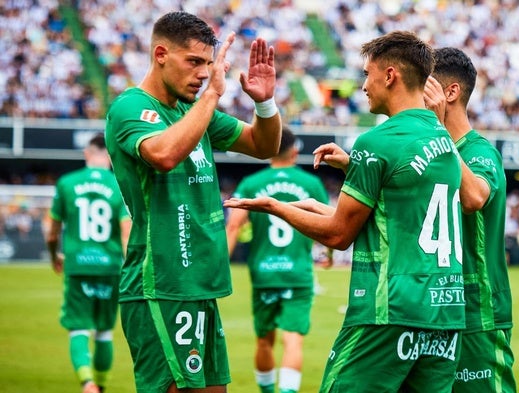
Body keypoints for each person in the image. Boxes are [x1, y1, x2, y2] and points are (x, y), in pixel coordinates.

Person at [225, 30, 465, 393]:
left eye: (367, 74)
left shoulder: (377, 141)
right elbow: (396, 209)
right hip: (445, 311)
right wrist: (354, 167)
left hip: (388, 310)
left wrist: (276, 207)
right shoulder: (441, 136)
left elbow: (339, 235)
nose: (363, 86)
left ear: (390, 76)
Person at [104, 11, 282, 393]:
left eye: (208, 63)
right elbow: (164, 154)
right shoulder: (129, 108)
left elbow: (264, 145)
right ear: (161, 54)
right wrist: (214, 94)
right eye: (194, 62)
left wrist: (264, 105)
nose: (204, 73)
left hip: (200, 285)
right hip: (161, 283)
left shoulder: (192, 111)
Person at [424, 47, 516, 393]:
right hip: (436, 310)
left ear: (450, 93)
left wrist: (437, 129)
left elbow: (475, 196)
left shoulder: (479, 152)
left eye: (425, 89)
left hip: (478, 313)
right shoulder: (433, 150)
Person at [225, 127, 331, 393]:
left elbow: (233, 227)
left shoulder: (251, 183)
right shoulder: (311, 184)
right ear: (295, 151)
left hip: (263, 274)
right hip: (297, 273)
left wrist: (221, 266)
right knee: (293, 340)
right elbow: (329, 223)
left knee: (263, 341)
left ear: (272, 150)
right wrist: (328, 255)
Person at [46, 132, 131, 393]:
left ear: (87, 153)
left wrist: (54, 256)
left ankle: (87, 381)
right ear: (110, 157)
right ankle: (102, 385)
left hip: (78, 265)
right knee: (104, 332)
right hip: (110, 268)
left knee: (78, 328)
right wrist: (130, 267)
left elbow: (52, 231)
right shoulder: (120, 184)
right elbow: (127, 231)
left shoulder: (67, 183)